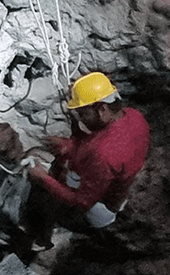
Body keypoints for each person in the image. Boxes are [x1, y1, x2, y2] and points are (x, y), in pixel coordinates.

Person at [24, 72, 151, 251]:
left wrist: (43, 178)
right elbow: (102, 141)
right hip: (121, 184)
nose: (81, 118)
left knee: (41, 195)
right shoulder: (133, 116)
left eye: (83, 113)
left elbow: (82, 202)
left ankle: (43, 240)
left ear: (102, 109)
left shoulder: (103, 154)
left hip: (103, 210)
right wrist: (70, 145)